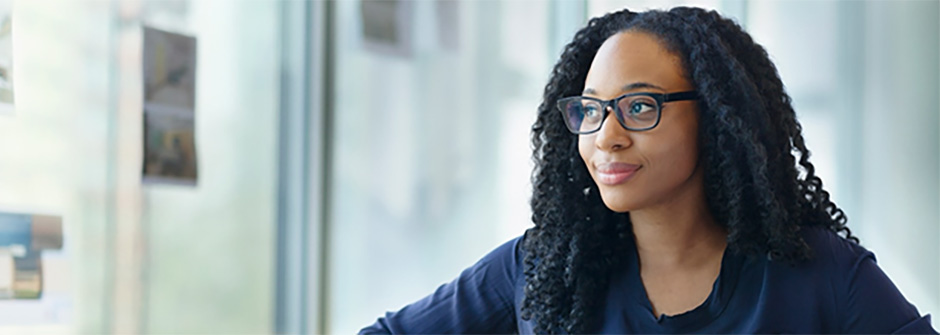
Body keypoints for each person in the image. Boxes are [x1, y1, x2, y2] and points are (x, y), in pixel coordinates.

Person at [359, 7, 938, 334]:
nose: (606, 136)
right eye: (590, 109)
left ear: (714, 119)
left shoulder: (822, 276)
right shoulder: (541, 268)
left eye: (639, 107)